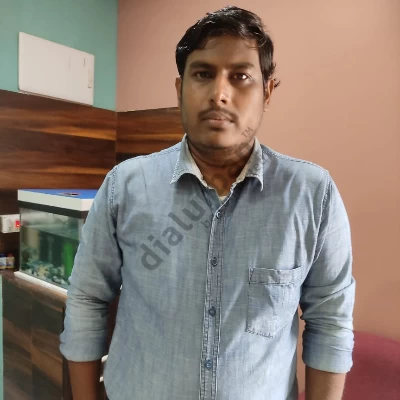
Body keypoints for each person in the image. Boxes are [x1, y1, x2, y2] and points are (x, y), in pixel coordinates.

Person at [60, 6, 355, 400]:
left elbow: (330, 323)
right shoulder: (124, 187)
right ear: (180, 88)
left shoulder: (312, 195)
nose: (219, 94)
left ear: (267, 92)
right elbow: (87, 299)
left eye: (241, 76)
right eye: (203, 74)